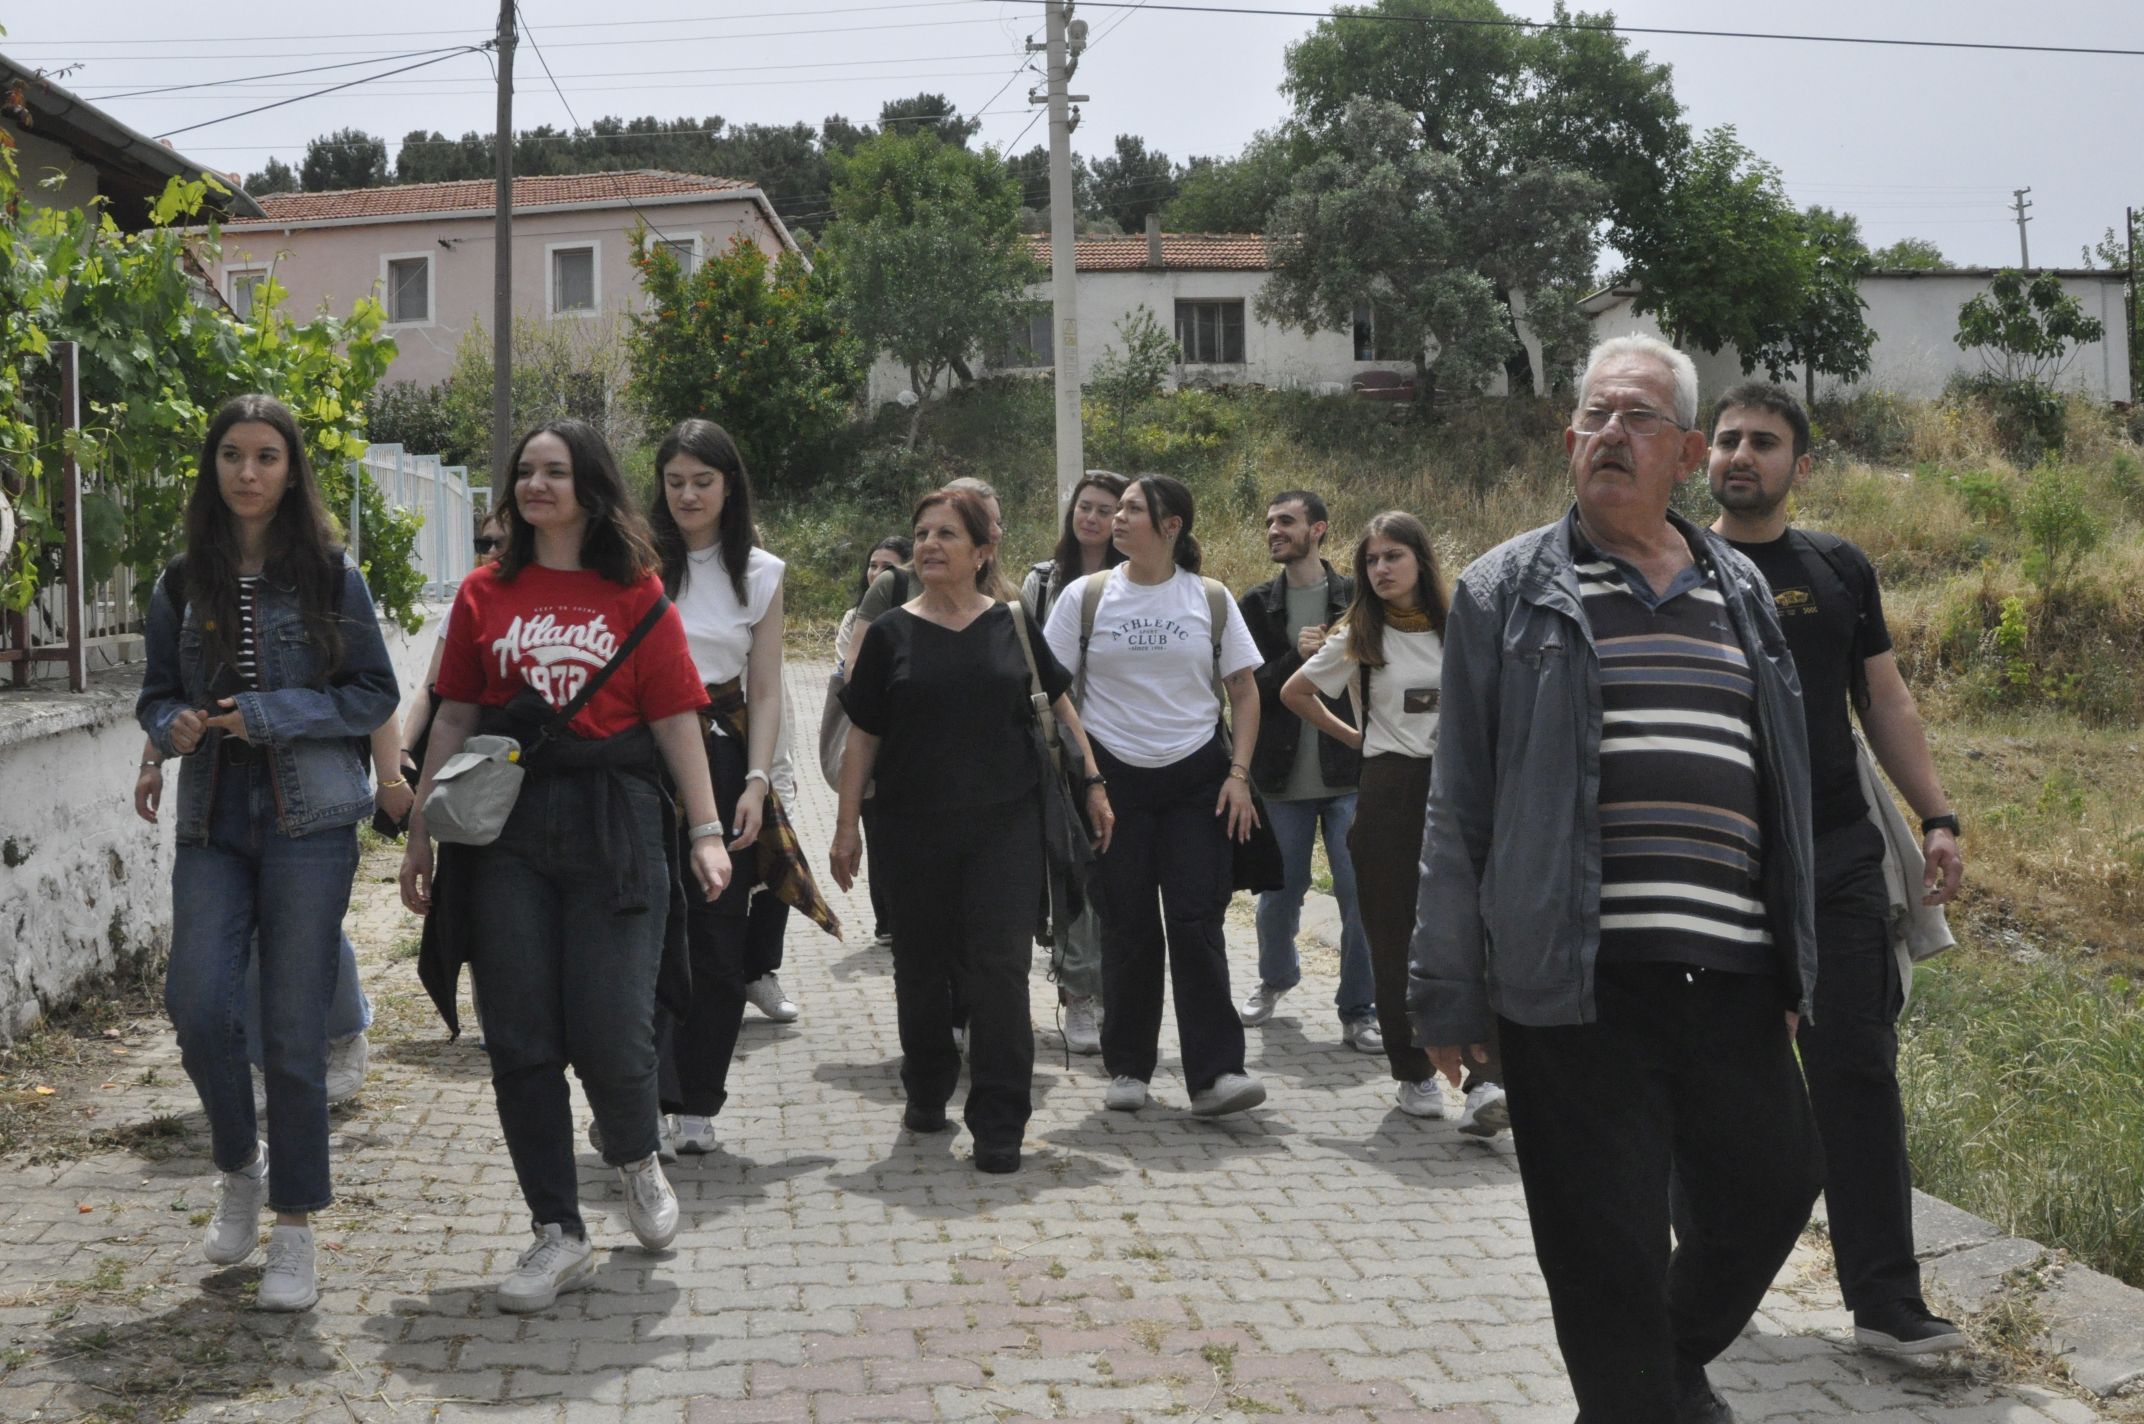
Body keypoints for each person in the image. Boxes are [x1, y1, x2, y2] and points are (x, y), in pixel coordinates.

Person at [1409, 335, 1822, 1424]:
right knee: (1605, 1245)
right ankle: (1641, 1395)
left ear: (1684, 449)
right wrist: (1447, 989)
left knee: (1771, 1184)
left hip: (1729, 967)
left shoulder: (1737, 589)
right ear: (1568, 438)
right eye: (1593, 416)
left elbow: (1779, 781)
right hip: (1573, 978)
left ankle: (1652, 1375)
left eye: (1636, 418)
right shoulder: (1505, 592)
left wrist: (1794, 952)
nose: (1608, 435)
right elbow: (1457, 805)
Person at [400, 419, 732, 1315]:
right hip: (504, 828)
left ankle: (633, 1153)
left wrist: (704, 828)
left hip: (615, 821)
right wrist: (422, 831)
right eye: (524, 471)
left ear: (589, 485)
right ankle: (557, 1230)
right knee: (519, 1036)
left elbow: (675, 720)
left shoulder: (637, 595)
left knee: (613, 1026)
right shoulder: (481, 592)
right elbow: (458, 715)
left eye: (554, 471)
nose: (536, 484)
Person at [1707, 381, 1967, 1356]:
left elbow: (1883, 700)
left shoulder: (1835, 566)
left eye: (1762, 442)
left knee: (1856, 1073)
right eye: (1726, 438)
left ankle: (1884, 1303)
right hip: (1716, 863)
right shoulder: (1672, 563)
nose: (1740, 455)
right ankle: (1705, 1283)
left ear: (1797, 464)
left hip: (1836, 856)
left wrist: (1933, 813)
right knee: (1714, 1080)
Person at [136, 394, 401, 1313]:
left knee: (292, 1030)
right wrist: (167, 724)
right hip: (213, 813)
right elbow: (156, 693)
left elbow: (371, 693)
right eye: (233, 458)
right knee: (198, 1002)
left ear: (291, 472)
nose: (248, 473)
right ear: (213, 471)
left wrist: (275, 713)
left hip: (311, 816)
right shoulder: (180, 582)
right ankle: (238, 1165)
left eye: (266, 458)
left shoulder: (332, 577)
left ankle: (294, 1225)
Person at [829, 486, 1112, 1174]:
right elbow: (862, 737)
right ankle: (927, 1087)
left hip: (1005, 828)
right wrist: (845, 830)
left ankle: (999, 1123)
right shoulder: (891, 633)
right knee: (922, 970)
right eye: (922, 532)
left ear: (983, 551)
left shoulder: (1012, 623)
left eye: (947, 534)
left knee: (999, 973)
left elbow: (1060, 706)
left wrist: (1095, 784)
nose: (928, 544)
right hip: (910, 828)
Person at [1042, 474, 1268, 1118]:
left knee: (1198, 923)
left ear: (1172, 527)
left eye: (1134, 510)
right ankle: (1130, 1069)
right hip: (1113, 785)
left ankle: (1216, 1075)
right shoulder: (1086, 598)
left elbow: (1246, 693)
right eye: (1118, 509)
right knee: (1129, 926)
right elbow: (1055, 692)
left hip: (1199, 782)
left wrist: (1239, 775)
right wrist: (1087, 778)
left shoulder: (1211, 598)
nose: (1118, 517)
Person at [1279, 512, 1507, 1135]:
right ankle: (1414, 1074)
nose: (1381, 570)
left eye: (1393, 557)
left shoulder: (1461, 623)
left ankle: (1486, 1082)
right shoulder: (1358, 633)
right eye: (1371, 561)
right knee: (1393, 932)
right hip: (1388, 791)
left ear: (1421, 561)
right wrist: (1358, 738)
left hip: (1460, 789)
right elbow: (1296, 692)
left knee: (1475, 930)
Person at [647, 419, 838, 1157]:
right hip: (641, 768)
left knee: (718, 940)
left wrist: (759, 782)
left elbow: (764, 689)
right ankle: (648, 1099)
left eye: (703, 481)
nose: (689, 495)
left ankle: (699, 1101)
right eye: (675, 482)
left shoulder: (760, 573)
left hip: (725, 768)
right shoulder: (634, 566)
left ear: (730, 488)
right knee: (645, 936)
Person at [135, 727, 396, 1104]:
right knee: (246, 937)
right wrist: (151, 761)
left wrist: (392, 776)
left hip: (310, 790)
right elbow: (175, 689)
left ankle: (343, 1035)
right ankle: (259, 1062)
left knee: (306, 927)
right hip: (219, 795)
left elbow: (373, 692)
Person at [1236, 489, 1377, 1052]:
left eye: (1286, 521)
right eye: (1269, 521)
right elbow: (1247, 690)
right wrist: (1296, 656)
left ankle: (1359, 1009)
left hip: (1349, 774)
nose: (1274, 530)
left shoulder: (1356, 597)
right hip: (1282, 778)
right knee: (1279, 894)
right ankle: (1276, 979)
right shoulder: (1256, 604)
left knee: (1357, 894)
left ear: (1318, 530)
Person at [1017, 471, 1127, 1055]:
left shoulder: (1142, 583)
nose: (1092, 518)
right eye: (1084, 506)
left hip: (1131, 743)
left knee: (1122, 876)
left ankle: (1117, 989)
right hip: (1064, 747)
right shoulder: (1044, 581)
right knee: (1077, 873)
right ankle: (1080, 995)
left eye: (1105, 509)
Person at [833, 535, 910, 951]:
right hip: (872, 735)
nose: (877, 573)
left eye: (887, 565)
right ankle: (888, 918)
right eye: (872, 564)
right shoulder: (857, 618)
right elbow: (852, 674)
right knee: (875, 825)